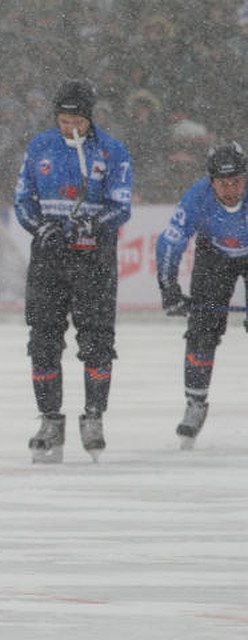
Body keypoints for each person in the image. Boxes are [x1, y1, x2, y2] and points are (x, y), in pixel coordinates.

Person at [13, 79, 133, 464]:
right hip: (49, 259)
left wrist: (94, 227)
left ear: (89, 118)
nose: (70, 128)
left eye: (76, 121)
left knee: (97, 339)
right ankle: (50, 420)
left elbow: (122, 205)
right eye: (64, 121)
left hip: (94, 260)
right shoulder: (40, 147)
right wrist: (39, 227)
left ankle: (94, 417)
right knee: (43, 340)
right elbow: (22, 199)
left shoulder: (112, 151)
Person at [155, 141, 248, 450]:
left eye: (237, 182)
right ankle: (195, 403)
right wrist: (169, 287)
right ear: (211, 183)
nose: (232, 189)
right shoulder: (197, 196)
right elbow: (170, 241)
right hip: (215, 255)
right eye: (224, 184)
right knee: (202, 330)